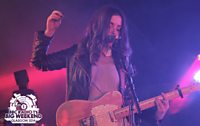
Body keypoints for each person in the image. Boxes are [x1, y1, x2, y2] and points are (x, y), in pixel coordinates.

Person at [30, 5, 169, 126]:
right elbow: (39, 62)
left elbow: (130, 108)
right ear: (99, 25)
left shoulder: (122, 62)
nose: (114, 31)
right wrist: (49, 33)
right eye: (110, 25)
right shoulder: (77, 54)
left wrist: (157, 116)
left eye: (118, 28)